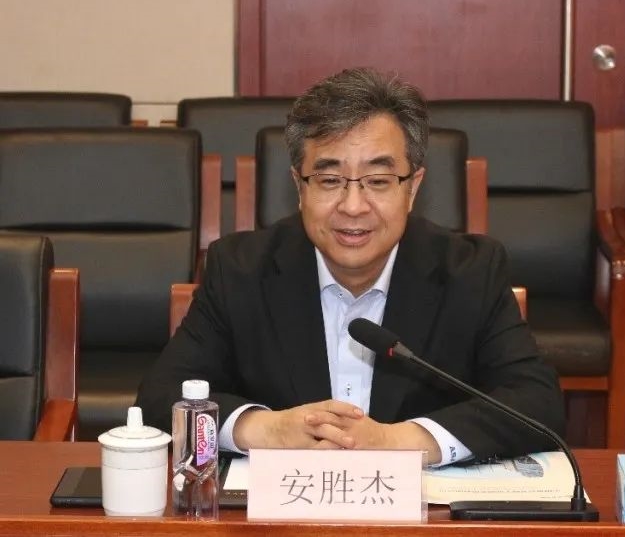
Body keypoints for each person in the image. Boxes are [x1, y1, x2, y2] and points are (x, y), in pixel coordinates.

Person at [136, 67, 564, 466]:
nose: (353, 206)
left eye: (378, 181)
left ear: (413, 188)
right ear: (299, 187)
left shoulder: (470, 272)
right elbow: (160, 397)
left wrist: (398, 441)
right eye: (329, 180)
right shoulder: (239, 270)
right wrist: (268, 430)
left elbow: (536, 402)